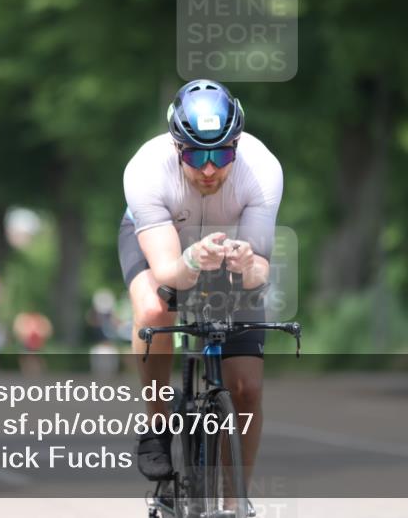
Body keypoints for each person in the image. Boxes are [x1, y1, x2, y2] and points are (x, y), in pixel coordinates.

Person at [119, 80, 282, 504]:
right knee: (154, 310)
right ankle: (158, 424)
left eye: (221, 154)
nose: (209, 169)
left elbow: (260, 271)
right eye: (195, 155)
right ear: (177, 148)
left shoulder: (262, 169)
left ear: (237, 145)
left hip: (228, 251)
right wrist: (191, 260)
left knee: (246, 388)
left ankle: (234, 499)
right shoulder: (145, 170)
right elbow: (168, 273)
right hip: (167, 247)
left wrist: (247, 264)